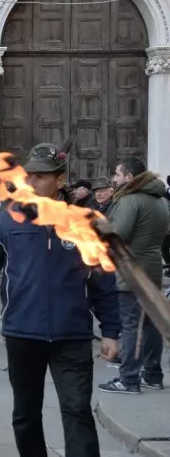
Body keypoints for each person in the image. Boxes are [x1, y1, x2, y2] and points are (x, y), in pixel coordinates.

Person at [0, 143, 121, 457]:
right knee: (25, 415)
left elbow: (103, 280)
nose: (33, 183)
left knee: (77, 410)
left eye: (42, 176)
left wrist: (112, 331)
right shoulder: (8, 220)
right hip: (22, 332)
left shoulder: (84, 222)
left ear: (59, 180)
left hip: (72, 334)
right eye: (30, 175)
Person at [98, 157, 169, 394]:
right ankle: (153, 375)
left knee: (130, 325)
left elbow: (118, 234)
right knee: (151, 325)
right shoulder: (161, 201)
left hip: (132, 270)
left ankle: (128, 379)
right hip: (152, 268)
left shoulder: (129, 200)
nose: (114, 179)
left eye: (117, 174)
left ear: (129, 177)